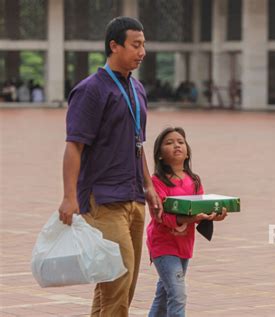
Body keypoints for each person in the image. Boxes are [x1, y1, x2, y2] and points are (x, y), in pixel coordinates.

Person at [58, 16, 162, 316]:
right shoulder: (91, 90)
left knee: (116, 285)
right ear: (114, 46)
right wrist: (69, 196)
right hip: (102, 200)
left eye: (144, 45)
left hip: (134, 198)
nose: (142, 52)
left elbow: (138, 143)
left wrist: (148, 186)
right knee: (120, 277)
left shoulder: (137, 90)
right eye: (136, 45)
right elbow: (74, 145)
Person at [147, 127, 228, 317]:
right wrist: (191, 217)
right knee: (177, 294)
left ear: (187, 151)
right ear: (159, 155)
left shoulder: (194, 180)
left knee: (164, 296)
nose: (176, 145)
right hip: (163, 246)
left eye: (180, 142)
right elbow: (160, 216)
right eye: (169, 143)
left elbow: (201, 211)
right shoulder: (156, 182)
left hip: (184, 245)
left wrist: (215, 216)